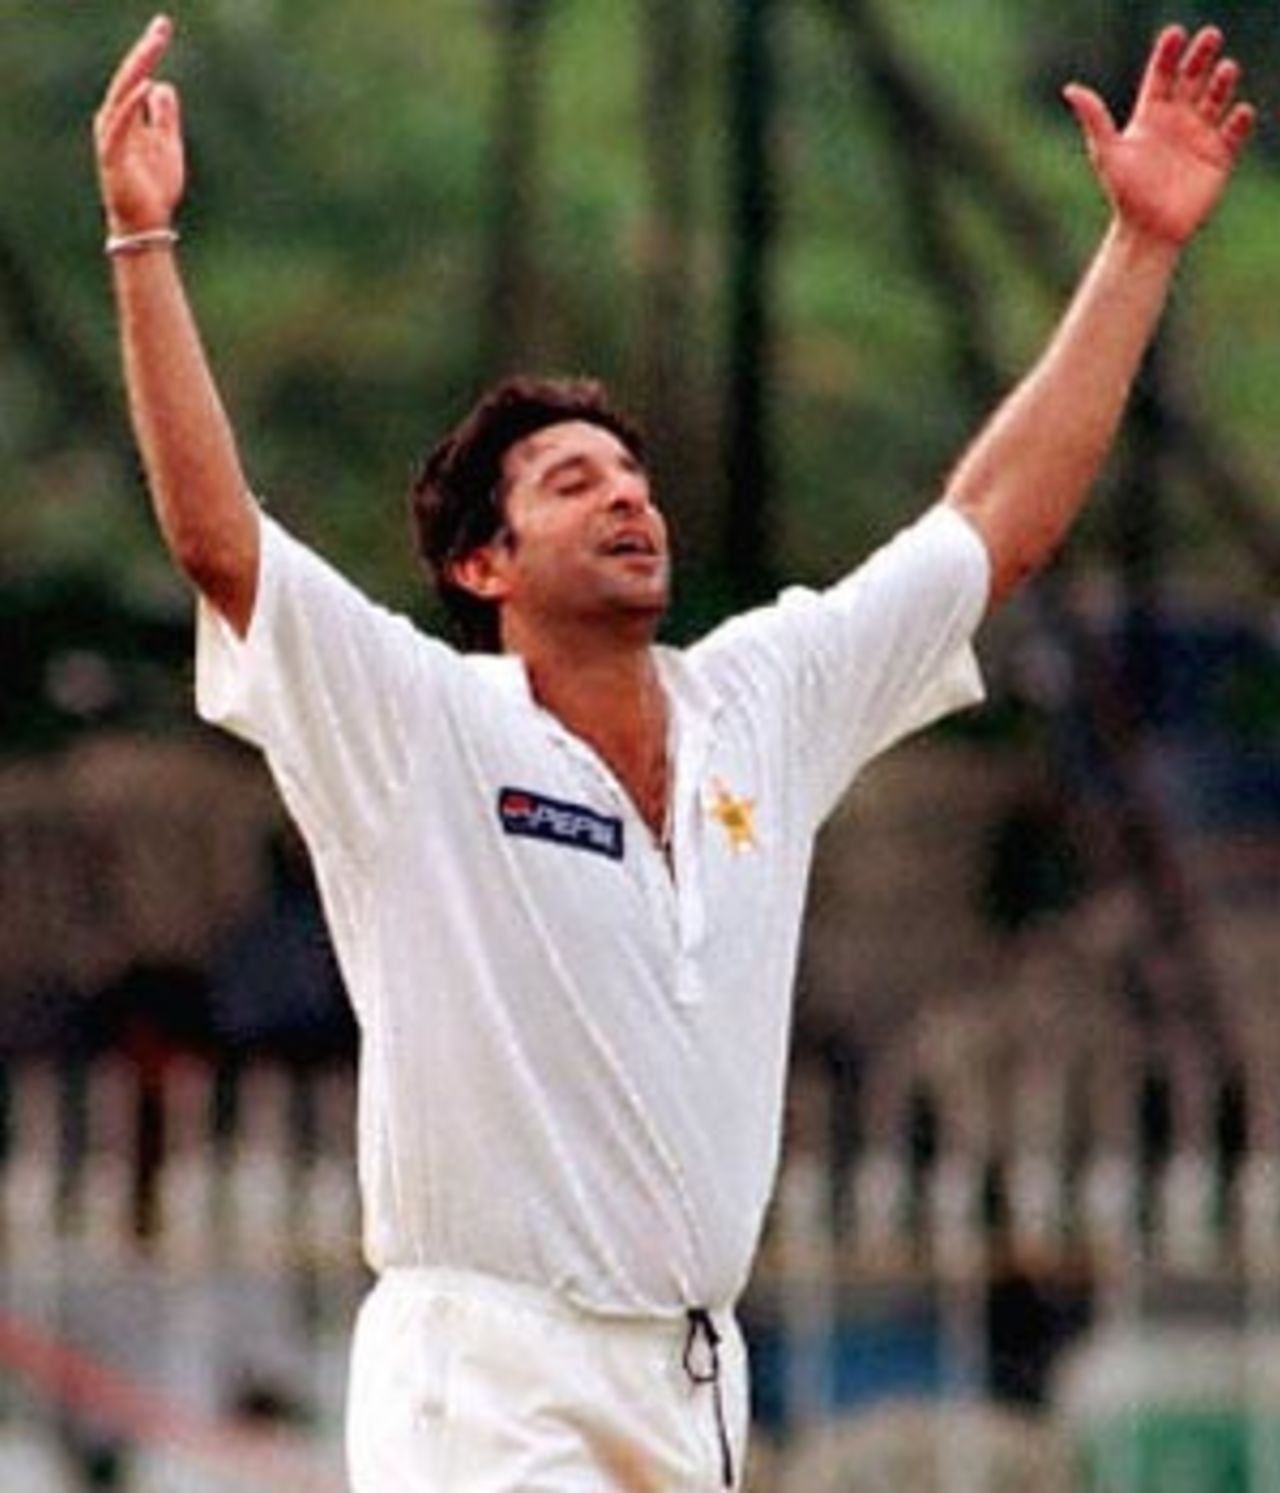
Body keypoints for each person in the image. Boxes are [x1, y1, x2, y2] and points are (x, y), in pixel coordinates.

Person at [93, 14, 1254, 1490]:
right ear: (483, 564)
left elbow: (993, 528)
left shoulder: (763, 698)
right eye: (574, 484)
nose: (627, 500)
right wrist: (145, 246)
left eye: (634, 478)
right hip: (486, 1372)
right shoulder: (415, 724)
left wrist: (1139, 249)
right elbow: (218, 541)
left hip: (690, 1372)